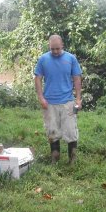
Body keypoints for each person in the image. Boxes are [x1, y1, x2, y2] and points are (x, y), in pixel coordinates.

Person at [34, 34, 82, 164]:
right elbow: (37, 78)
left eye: (57, 49)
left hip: (68, 101)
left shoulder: (71, 58)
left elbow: (77, 78)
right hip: (49, 103)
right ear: (49, 46)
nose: (55, 51)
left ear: (62, 46)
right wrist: (40, 97)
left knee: (71, 131)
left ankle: (72, 159)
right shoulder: (43, 59)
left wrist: (78, 98)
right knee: (52, 131)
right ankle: (55, 158)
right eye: (52, 49)